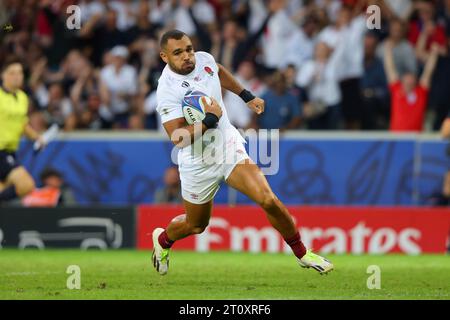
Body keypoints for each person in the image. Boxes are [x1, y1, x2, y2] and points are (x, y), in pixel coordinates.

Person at [152, 30, 333, 276]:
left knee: (268, 199)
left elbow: (218, 70)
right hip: (198, 161)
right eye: (178, 52)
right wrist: (208, 121)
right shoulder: (166, 90)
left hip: (227, 146)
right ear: (164, 57)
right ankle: (163, 241)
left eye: (189, 49)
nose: (187, 56)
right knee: (196, 225)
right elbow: (178, 138)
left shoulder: (203, 60)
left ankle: (302, 253)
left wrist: (246, 96)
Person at [0, 58, 44, 203]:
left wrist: (36, 137)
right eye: (12, 73)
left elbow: (22, 123)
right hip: (1, 151)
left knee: (5, 188)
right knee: (26, 185)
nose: (17, 76)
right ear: (3, 75)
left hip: (11, 151)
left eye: (19, 73)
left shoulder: (22, 97)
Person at [383, 40, 439, 132]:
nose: (409, 80)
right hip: (396, 138)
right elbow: (389, 68)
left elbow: (428, 71)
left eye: (412, 77)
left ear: (415, 80)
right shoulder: (396, 88)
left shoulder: (420, 92)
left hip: (416, 139)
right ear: (402, 79)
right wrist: (387, 51)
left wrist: (434, 54)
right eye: (407, 77)